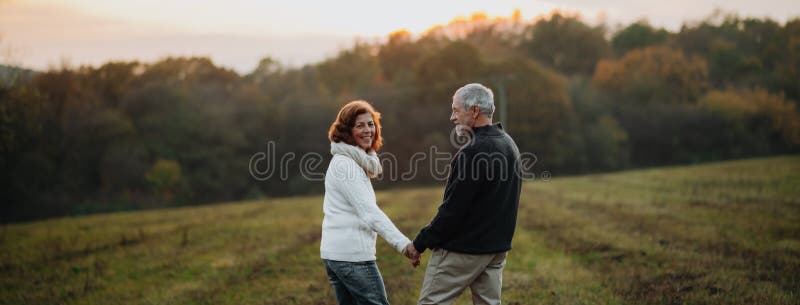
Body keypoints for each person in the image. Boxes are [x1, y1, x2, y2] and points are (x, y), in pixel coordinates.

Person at [404, 83, 522, 305]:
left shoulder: (472, 152)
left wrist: (419, 244)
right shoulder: (509, 143)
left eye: (455, 110)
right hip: (496, 250)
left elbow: (452, 211)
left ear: (475, 111)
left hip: (466, 250)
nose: (452, 117)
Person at [321, 100, 419, 305]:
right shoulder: (346, 165)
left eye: (371, 124)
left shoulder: (354, 161)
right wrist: (404, 245)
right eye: (360, 125)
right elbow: (370, 213)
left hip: (338, 256)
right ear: (346, 131)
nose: (368, 130)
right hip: (351, 258)